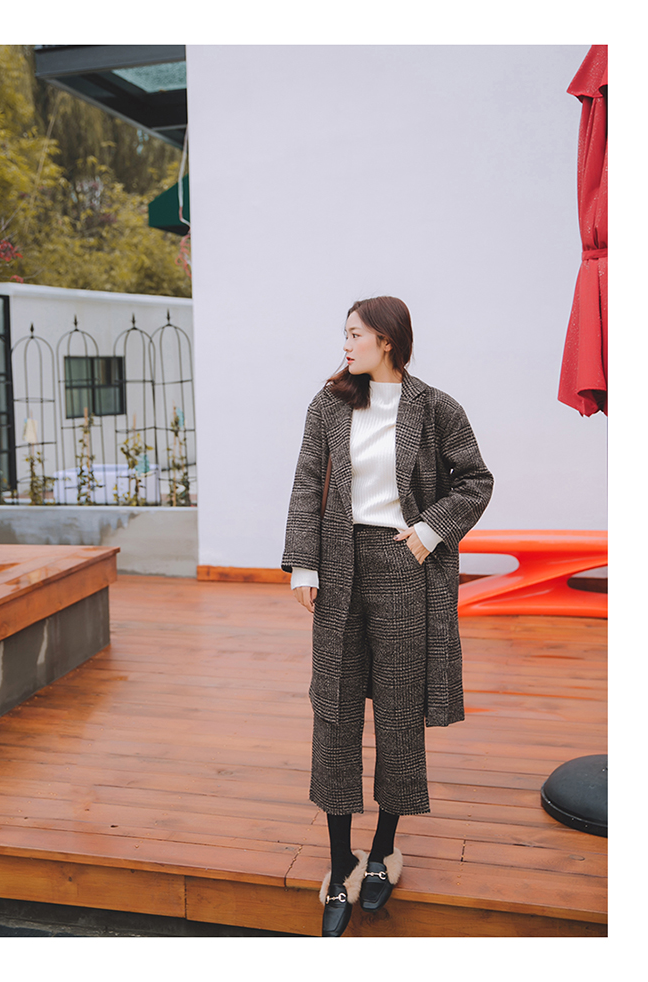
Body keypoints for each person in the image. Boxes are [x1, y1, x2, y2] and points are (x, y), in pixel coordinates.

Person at [281, 296, 493, 937]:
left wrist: (429, 531)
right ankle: (339, 861)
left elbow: (475, 480)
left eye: (355, 334)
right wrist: (303, 564)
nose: (345, 345)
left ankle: (381, 852)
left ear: (387, 340)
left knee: (399, 712)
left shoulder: (436, 407)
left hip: (404, 565)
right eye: (345, 334)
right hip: (338, 562)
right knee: (335, 709)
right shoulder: (328, 404)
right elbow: (305, 483)